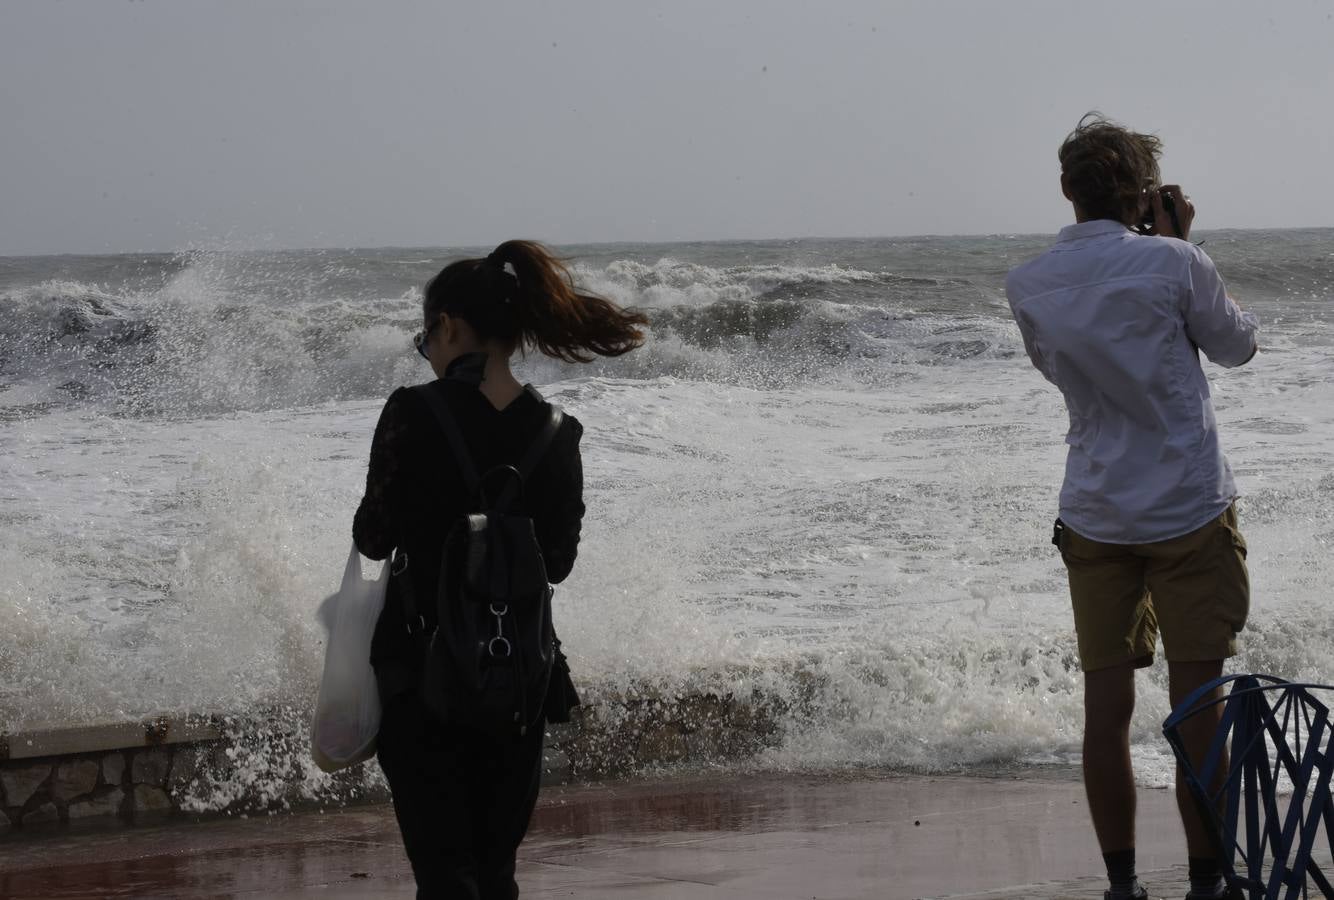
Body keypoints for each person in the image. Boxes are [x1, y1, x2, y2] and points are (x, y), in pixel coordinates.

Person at [1006, 115, 1257, 900]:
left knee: (1106, 707)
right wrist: (1185, 242)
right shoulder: (1175, 262)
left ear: (1065, 191)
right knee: (1198, 706)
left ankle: (1121, 883)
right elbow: (1236, 345)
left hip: (1096, 508)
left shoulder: (1029, 283)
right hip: (1188, 506)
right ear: (1143, 191)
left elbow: (1056, 371)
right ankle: (1207, 879)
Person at [352, 240, 647, 898]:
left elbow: (372, 538)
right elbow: (560, 564)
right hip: (518, 681)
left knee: (444, 875)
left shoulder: (411, 412)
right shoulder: (557, 431)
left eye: (425, 334)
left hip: (420, 677)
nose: (426, 349)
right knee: (495, 874)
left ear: (449, 327)